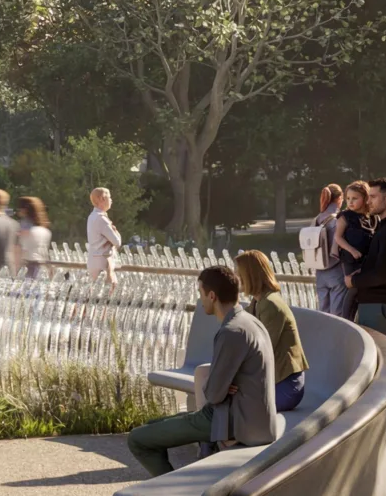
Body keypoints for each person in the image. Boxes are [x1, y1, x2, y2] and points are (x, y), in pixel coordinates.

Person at [127, 266, 278, 477]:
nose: (201, 299)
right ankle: (170, 484)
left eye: (201, 294)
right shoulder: (251, 322)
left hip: (233, 422)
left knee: (138, 439)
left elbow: (213, 394)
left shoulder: (231, 331)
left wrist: (218, 386)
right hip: (247, 416)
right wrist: (223, 385)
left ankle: (170, 491)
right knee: (152, 426)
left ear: (212, 295)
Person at [235, 250, 310, 413]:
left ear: (250, 275)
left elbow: (262, 352)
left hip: (286, 387)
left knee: (234, 406)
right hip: (274, 382)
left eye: (238, 274)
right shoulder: (258, 302)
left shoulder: (270, 304)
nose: (236, 279)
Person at [347, 177, 386, 342]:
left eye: (373, 197)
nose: (369, 201)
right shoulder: (385, 227)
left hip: (381, 308)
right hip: (375, 307)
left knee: (380, 361)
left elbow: (381, 275)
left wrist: (353, 280)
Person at [334, 180, 376, 319]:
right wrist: (352, 250)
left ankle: (361, 319)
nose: (350, 202)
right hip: (351, 259)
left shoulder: (370, 218)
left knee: (364, 289)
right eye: (348, 199)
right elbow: (338, 237)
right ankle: (347, 319)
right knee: (353, 287)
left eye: (355, 198)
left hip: (366, 259)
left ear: (365, 198)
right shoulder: (345, 216)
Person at [311, 184, 347, 317]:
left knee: (324, 316)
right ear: (339, 199)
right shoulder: (338, 219)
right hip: (336, 271)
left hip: (320, 272)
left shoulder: (316, 219)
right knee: (338, 317)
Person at [86, 187, 122, 287]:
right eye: (109, 197)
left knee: (94, 296)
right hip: (104, 263)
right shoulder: (101, 218)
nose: (111, 200)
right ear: (102, 199)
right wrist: (115, 231)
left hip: (93, 260)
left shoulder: (91, 216)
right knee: (107, 296)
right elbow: (117, 242)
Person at [15, 196, 52, 279]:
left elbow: (21, 250)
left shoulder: (25, 228)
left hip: (28, 267)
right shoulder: (45, 231)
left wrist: (15, 272)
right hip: (42, 268)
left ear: (25, 210)